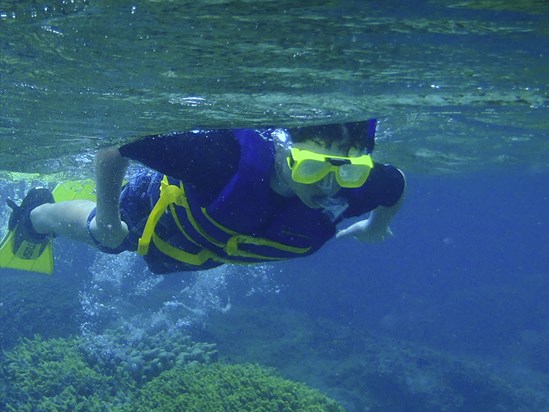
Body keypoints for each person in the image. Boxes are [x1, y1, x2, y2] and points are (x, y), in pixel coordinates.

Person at [1, 120, 405, 275]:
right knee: (108, 239)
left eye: (348, 171)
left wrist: (374, 226)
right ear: (285, 151)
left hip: (210, 244)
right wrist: (109, 220)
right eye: (312, 168)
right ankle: (34, 216)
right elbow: (114, 142)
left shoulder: (362, 184)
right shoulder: (221, 162)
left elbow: (396, 183)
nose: (328, 186)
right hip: (154, 214)